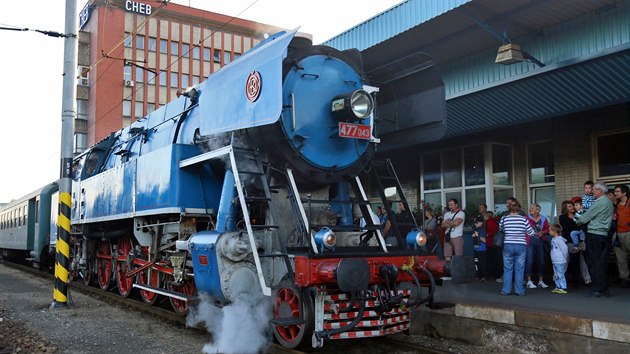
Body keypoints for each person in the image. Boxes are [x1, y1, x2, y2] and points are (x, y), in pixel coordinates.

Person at [576, 181, 614, 297]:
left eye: (594, 190)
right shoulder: (609, 202)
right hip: (604, 234)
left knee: (594, 262)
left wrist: (578, 220)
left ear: (600, 191)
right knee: (602, 262)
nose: (592, 192)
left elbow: (584, 219)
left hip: (594, 235)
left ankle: (597, 288)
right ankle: (604, 288)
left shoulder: (599, 203)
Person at [499, 200, 536, 296]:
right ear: (519, 209)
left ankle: (506, 290)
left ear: (510, 209)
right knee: (519, 269)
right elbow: (531, 233)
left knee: (507, 269)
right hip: (521, 245)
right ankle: (519, 291)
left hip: (508, 245)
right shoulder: (524, 219)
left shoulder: (504, 218)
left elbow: (501, 229)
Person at [525, 203, 549, 289]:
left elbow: (547, 229)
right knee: (529, 261)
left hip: (540, 242)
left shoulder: (543, 219)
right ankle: (529, 280)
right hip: (529, 242)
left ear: (538, 210)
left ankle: (541, 281)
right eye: (530, 208)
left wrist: (542, 232)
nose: (530, 209)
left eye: (532, 208)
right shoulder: (526, 218)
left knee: (541, 261)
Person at [612, 185, 630, 287]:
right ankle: (624, 278)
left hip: (628, 232)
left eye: (618, 191)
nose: (616, 193)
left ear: (624, 193)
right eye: (615, 191)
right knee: (620, 258)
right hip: (618, 233)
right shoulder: (616, 205)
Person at [549, 224, 569, 294]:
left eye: (550, 230)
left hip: (560, 260)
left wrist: (564, 257)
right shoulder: (553, 239)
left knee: (560, 274)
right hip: (555, 261)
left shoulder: (559, 240)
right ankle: (558, 286)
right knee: (556, 274)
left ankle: (563, 287)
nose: (549, 232)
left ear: (554, 231)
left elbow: (565, 249)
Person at [484, 211, 502, 281]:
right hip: (492, 243)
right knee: (494, 259)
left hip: (491, 242)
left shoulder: (489, 221)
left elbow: (494, 230)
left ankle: (493, 274)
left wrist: (487, 234)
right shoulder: (492, 221)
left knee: (492, 259)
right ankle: (494, 274)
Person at [472, 216, 488, 281]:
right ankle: (478, 275)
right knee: (477, 263)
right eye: (475, 223)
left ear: (481, 223)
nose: (475, 224)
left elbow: (484, 240)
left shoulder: (482, 230)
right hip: (476, 248)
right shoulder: (475, 229)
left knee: (482, 263)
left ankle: (483, 276)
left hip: (481, 249)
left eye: (477, 223)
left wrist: (477, 235)